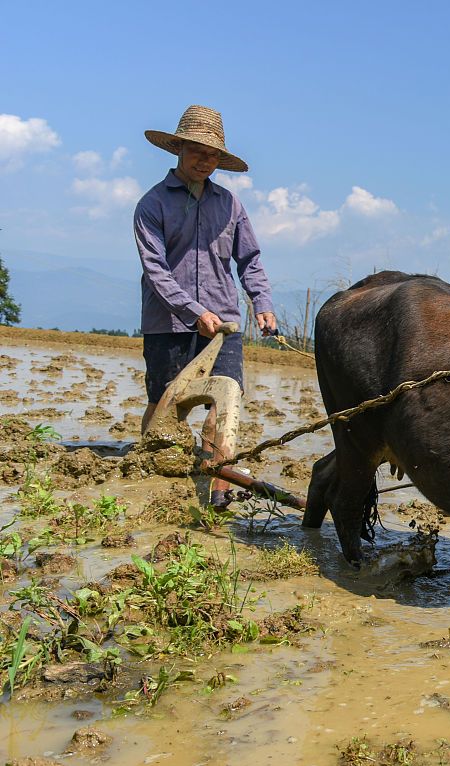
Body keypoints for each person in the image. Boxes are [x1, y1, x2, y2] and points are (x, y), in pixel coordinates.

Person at [135, 105, 276, 509]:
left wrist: (261, 301)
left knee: (226, 399)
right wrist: (193, 311)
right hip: (169, 323)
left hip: (224, 325)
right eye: (197, 150)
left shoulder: (230, 205)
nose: (205, 160)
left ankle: (219, 490)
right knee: (164, 407)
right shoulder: (152, 205)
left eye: (213, 154)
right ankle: (150, 480)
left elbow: (249, 259)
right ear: (178, 148)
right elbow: (156, 270)